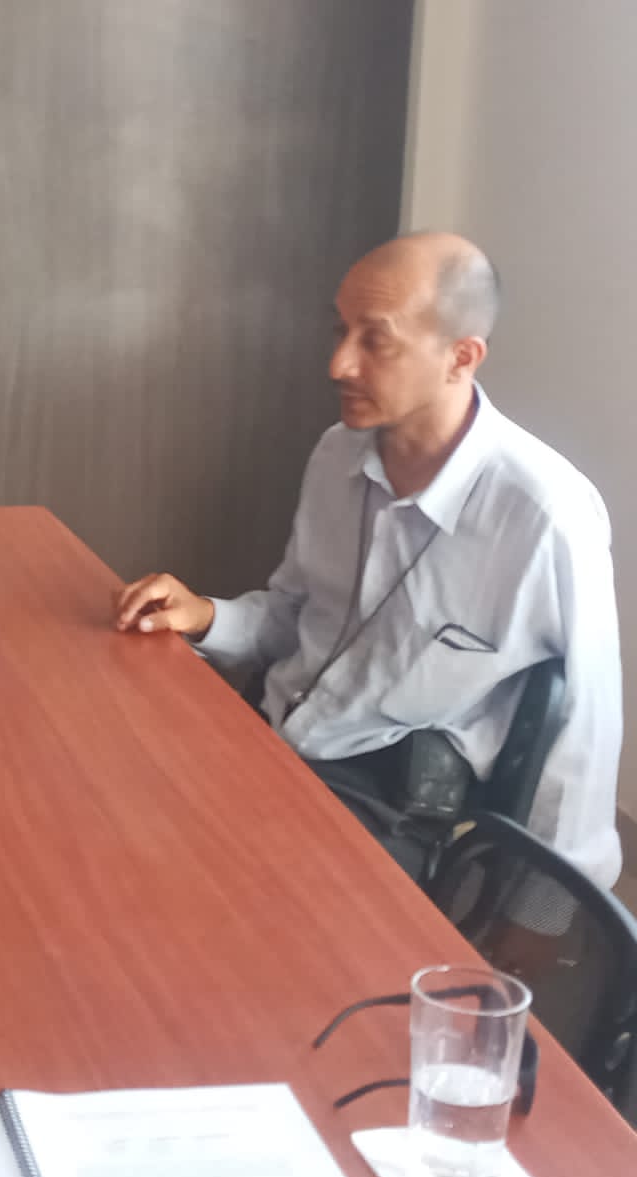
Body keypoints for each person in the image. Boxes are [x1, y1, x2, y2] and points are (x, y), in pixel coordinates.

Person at [115, 232, 622, 886]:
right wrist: (207, 615)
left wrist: (542, 917)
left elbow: (584, 738)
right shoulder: (337, 455)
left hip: (387, 808)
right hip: (268, 737)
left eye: (375, 340)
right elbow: (295, 618)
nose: (339, 364)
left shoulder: (543, 515)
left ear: (461, 357)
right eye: (340, 331)